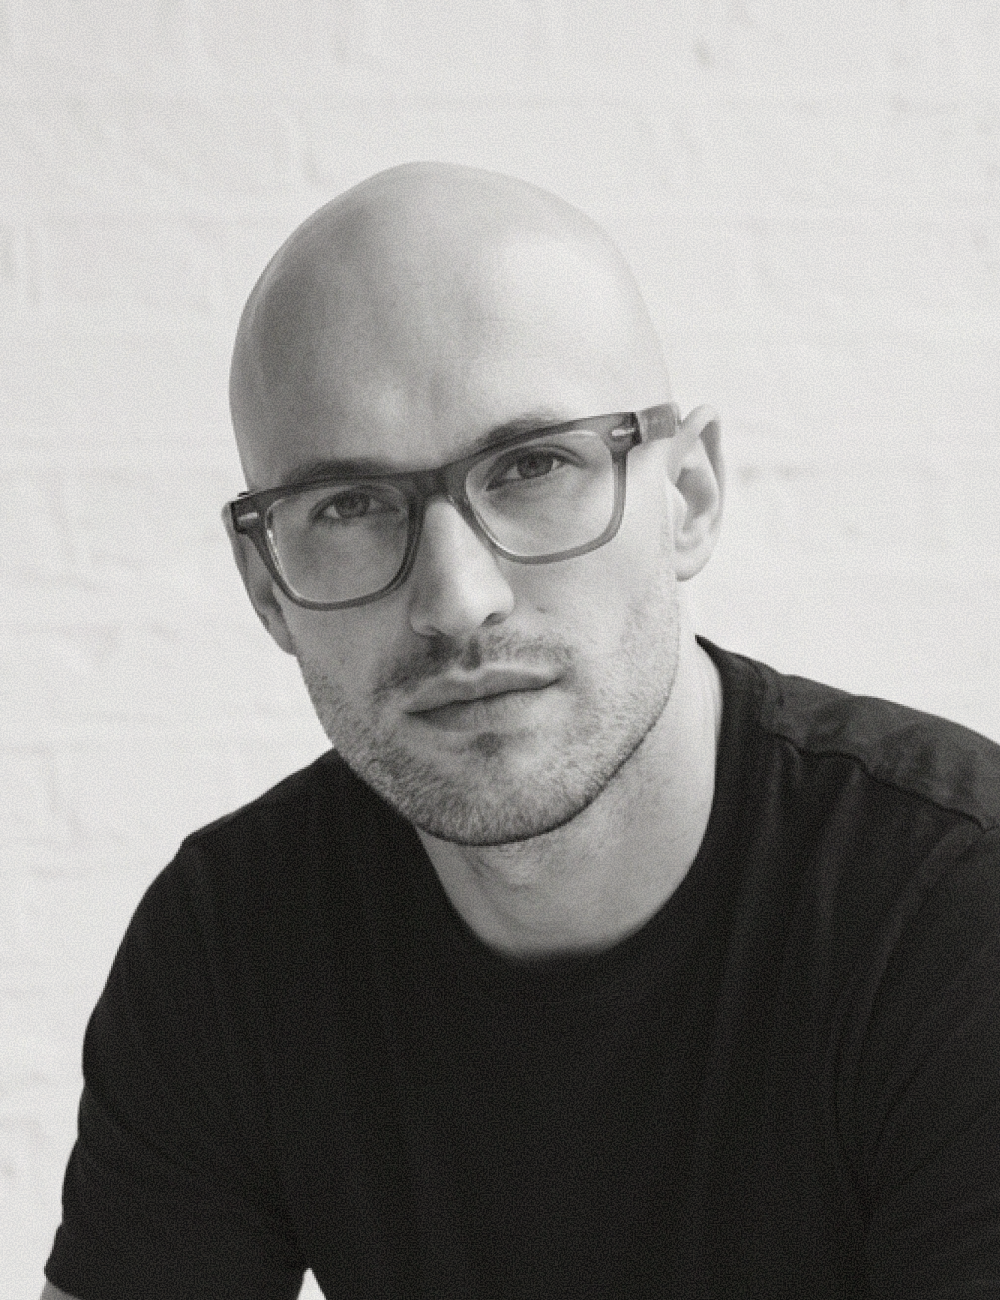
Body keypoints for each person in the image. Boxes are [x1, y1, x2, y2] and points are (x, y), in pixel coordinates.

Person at [42, 162, 1000, 1300]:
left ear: (688, 498)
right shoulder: (230, 949)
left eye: (533, 466)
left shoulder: (954, 911)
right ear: (267, 588)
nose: (458, 599)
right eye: (350, 506)